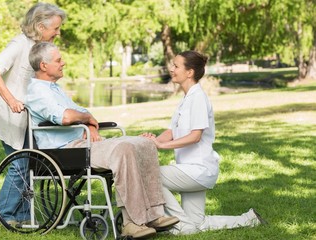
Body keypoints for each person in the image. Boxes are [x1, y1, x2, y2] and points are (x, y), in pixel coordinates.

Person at [25, 42, 179, 239]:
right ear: (44, 66)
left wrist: (88, 122)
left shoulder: (54, 88)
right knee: (124, 148)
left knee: (146, 143)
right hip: (65, 150)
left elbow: (80, 112)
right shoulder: (37, 92)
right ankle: (132, 222)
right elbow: (66, 117)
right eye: (58, 60)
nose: (63, 63)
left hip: (84, 142)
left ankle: (154, 214)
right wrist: (86, 119)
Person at [142, 50, 267, 235]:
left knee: (150, 175)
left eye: (176, 66)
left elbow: (195, 136)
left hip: (198, 170)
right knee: (197, 223)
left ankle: (177, 222)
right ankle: (249, 219)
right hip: (189, 169)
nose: (171, 69)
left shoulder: (198, 98)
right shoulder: (186, 99)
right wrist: (151, 142)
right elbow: (172, 131)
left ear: (189, 72)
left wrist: (161, 146)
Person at [0, 3, 66, 225]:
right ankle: (4, 214)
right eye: (55, 28)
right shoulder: (20, 44)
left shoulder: (39, 48)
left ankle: (20, 214)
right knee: (20, 162)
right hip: (9, 114)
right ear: (40, 26)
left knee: (28, 162)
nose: (58, 32)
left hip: (27, 117)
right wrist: (11, 100)